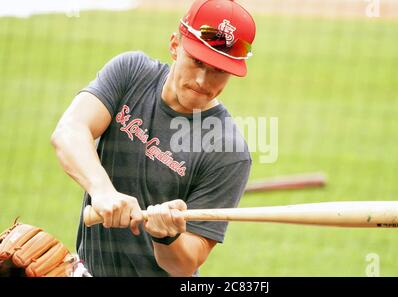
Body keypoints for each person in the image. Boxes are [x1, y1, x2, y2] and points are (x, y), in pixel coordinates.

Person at [51, 0, 256, 277]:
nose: (202, 81)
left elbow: (184, 265)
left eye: (219, 70)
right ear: (174, 45)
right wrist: (102, 191)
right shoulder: (131, 73)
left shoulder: (228, 150)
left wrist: (167, 237)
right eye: (197, 61)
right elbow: (69, 130)